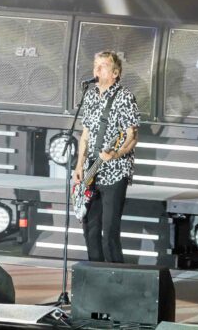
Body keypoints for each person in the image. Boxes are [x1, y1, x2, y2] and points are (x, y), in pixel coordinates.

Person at [72, 51, 140, 263]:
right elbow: (85, 135)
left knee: (109, 231)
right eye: (96, 65)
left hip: (115, 171)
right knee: (90, 229)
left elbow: (132, 136)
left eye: (103, 66)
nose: (97, 69)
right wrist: (79, 165)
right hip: (91, 169)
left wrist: (116, 153)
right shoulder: (90, 95)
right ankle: (95, 273)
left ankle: (115, 276)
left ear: (115, 73)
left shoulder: (125, 97)